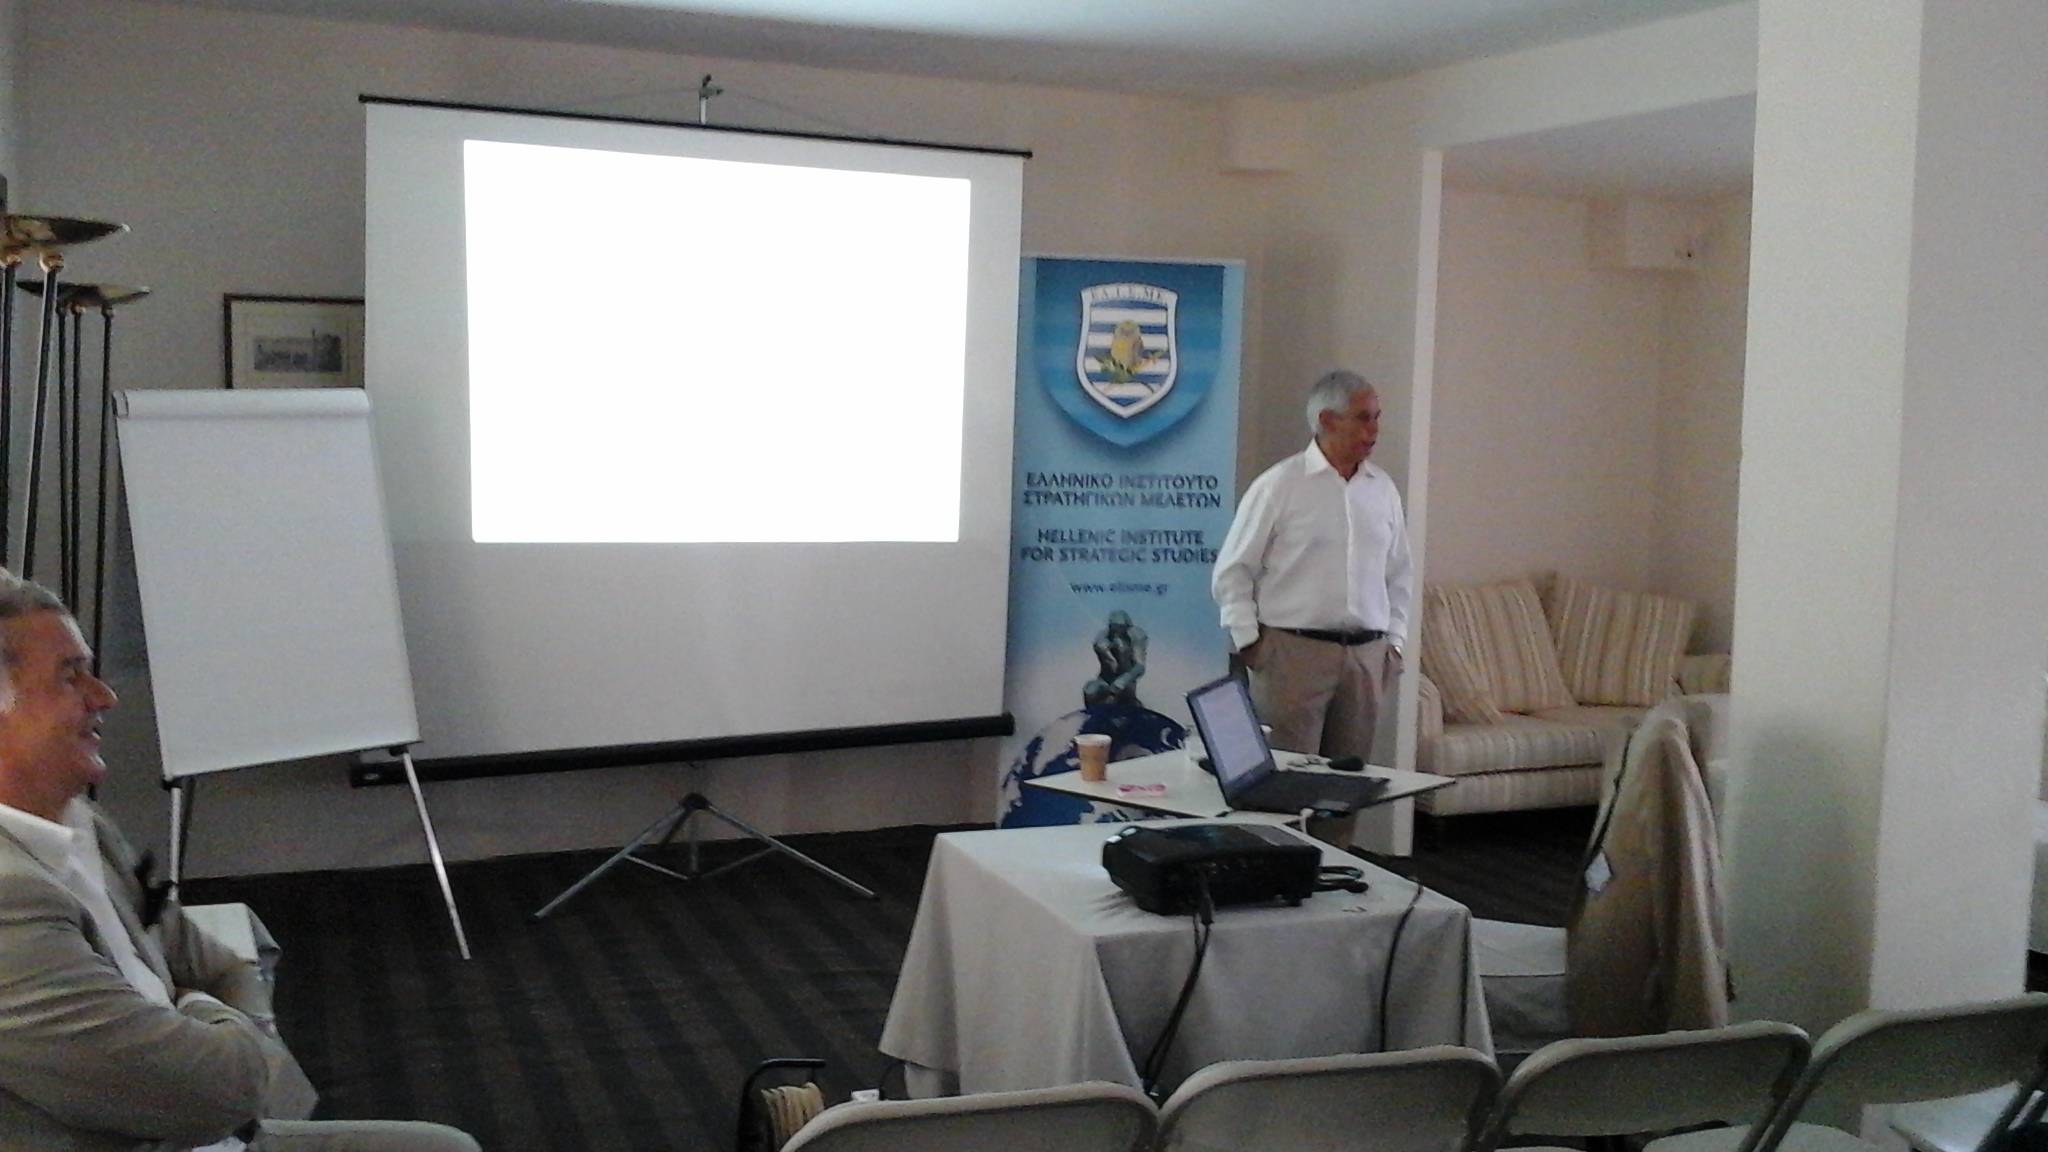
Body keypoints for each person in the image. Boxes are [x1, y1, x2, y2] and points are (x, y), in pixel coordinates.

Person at [0, 573, 479, 1152]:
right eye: (70, 676)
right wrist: (212, 1022)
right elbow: (207, 1092)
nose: (104, 696)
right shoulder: (11, 901)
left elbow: (219, 965)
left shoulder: (81, 824)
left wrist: (202, 1021)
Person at [1211, 369, 1414, 768]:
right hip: (1292, 655)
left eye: (1377, 417)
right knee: (1288, 778)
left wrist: (1395, 643)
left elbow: (1399, 572)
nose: (1374, 429)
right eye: (1363, 418)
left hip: (1366, 657)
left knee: (1350, 782)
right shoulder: (1279, 485)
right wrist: (1249, 641)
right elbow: (1233, 570)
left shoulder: (1382, 489)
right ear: (1327, 420)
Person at [1084, 610, 1148, 710]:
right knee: (1091, 690)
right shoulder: (1102, 640)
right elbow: (1110, 663)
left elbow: (1140, 666)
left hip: (1126, 682)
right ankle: (1092, 714)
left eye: (1121, 628)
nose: (1117, 632)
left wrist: (1123, 680)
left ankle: (1132, 705)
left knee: (1123, 697)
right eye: (1114, 628)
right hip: (1106, 680)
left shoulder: (1136, 638)